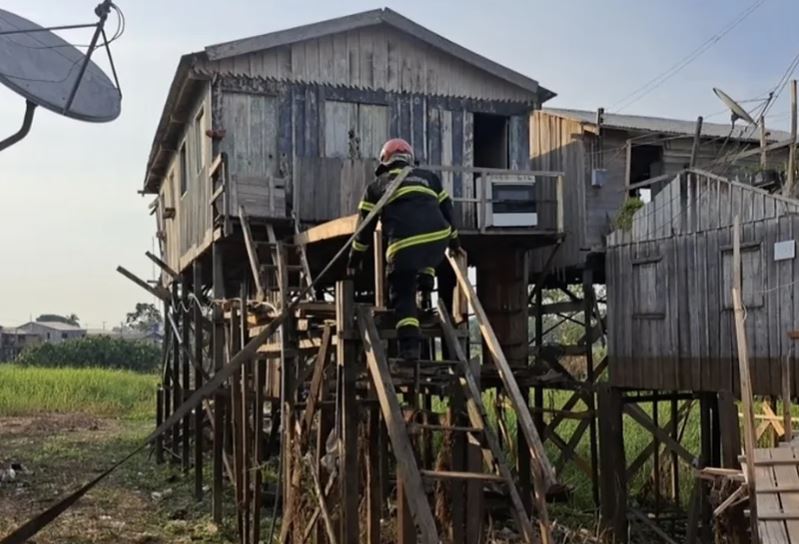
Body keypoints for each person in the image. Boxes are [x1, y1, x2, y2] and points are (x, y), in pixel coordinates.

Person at [346, 138, 460, 361]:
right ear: (409, 158)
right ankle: (425, 287)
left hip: (405, 246)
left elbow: (363, 231)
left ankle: (410, 347)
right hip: (438, 239)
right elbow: (448, 209)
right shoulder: (429, 178)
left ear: (385, 162)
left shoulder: (376, 186)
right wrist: (455, 243)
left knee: (402, 291)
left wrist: (353, 260)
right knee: (426, 257)